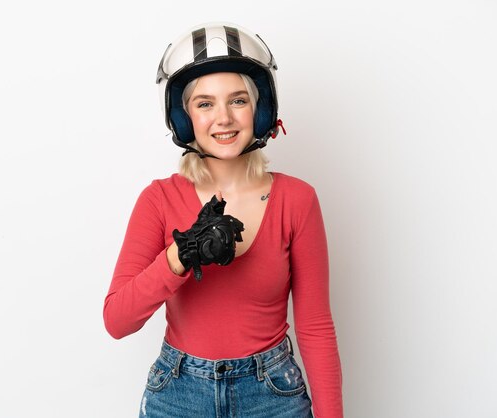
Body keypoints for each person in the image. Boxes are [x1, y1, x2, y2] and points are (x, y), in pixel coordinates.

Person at [103, 22, 343, 418]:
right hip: (178, 393)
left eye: (238, 100)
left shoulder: (298, 199)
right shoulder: (158, 200)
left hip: (272, 393)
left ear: (260, 109)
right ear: (185, 120)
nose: (224, 118)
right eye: (204, 103)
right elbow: (117, 320)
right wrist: (180, 255)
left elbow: (315, 326)